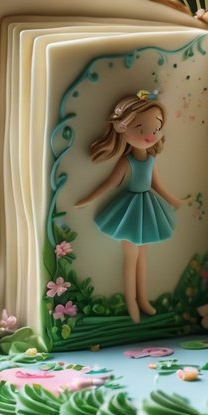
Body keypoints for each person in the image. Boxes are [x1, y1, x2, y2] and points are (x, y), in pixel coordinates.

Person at [76, 91, 182, 322]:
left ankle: (143, 299)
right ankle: (131, 303)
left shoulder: (151, 160)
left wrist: (174, 200)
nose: (150, 135)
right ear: (123, 128)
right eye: (141, 129)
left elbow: (157, 185)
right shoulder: (127, 161)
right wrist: (88, 199)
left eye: (156, 128)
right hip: (129, 210)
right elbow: (109, 184)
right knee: (131, 258)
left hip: (148, 207)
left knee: (143, 256)